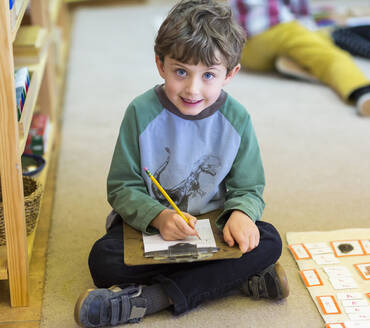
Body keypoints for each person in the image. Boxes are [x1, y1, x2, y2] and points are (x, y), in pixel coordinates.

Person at [73, 0, 289, 326]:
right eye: (180, 72)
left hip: (214, 232)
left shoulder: (238, 119)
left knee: (269, 240)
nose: (192, 88)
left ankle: (150, 300)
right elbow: (121, 186)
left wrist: (242, 214)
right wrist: (159, 217)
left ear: (230, 74)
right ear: (160, 65)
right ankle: (231, 281)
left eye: (209, 75)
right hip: (154, 232)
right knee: (103, 261)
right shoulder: (140, 113)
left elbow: (249, 187)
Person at [229, 0, 370, 117]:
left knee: (317, 41)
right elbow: (299, 14)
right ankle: (363, 91)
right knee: (331, 55)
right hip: (273, 31)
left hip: (247, 50)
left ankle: (291, 62)